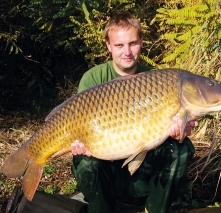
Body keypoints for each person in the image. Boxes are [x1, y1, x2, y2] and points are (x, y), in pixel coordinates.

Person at [70, 11, 196, 213]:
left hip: (141, 177)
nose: (127, 51)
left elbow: (168, 127)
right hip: (106, 175)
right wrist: (79, 144)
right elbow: (77, 127)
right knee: (85, 162)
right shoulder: (92, 79)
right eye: (119, 45)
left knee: (181, 148)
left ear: (142, 42)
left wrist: (179, 132)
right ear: (108, 46)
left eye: (133, 43)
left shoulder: (158, 80)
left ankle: (153, 209)